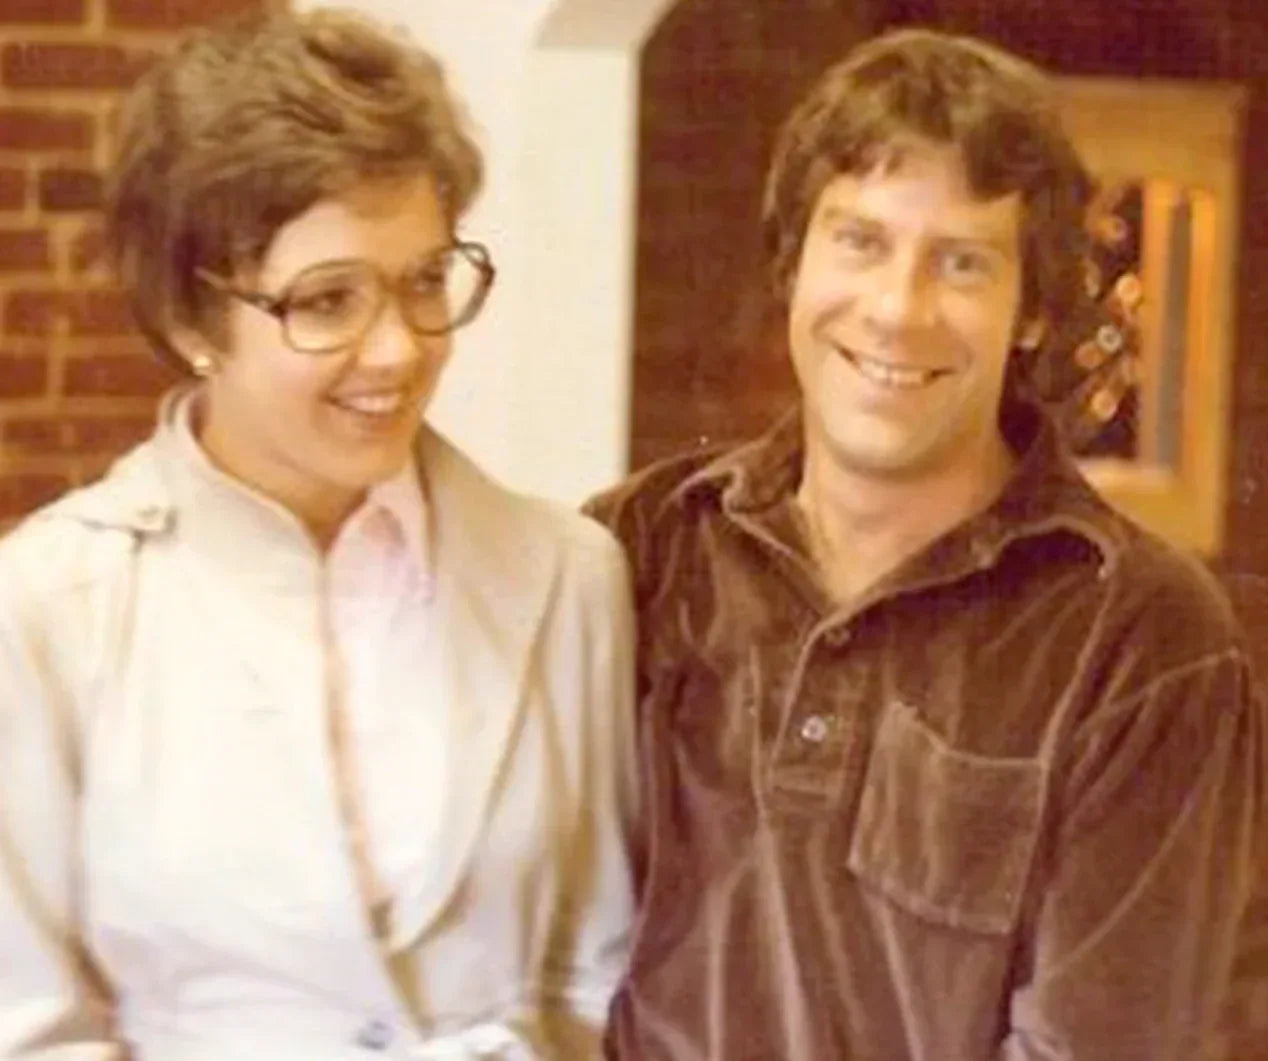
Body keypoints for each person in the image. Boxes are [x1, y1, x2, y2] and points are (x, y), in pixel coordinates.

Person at [587, 27, 1265, 1061]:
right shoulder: (634, 548)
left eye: (960, 261)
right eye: (858, 239)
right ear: (792, 261)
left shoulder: (1143, 637)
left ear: (1033, 309)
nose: (896, 311)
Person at [0, 8, 636, 1059]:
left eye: (426, 280)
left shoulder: (569, 575)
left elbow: (598, 976)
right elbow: (22, 1020)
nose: (396, 349)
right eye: (326, 300)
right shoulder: (43, 607)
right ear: (191, 319)